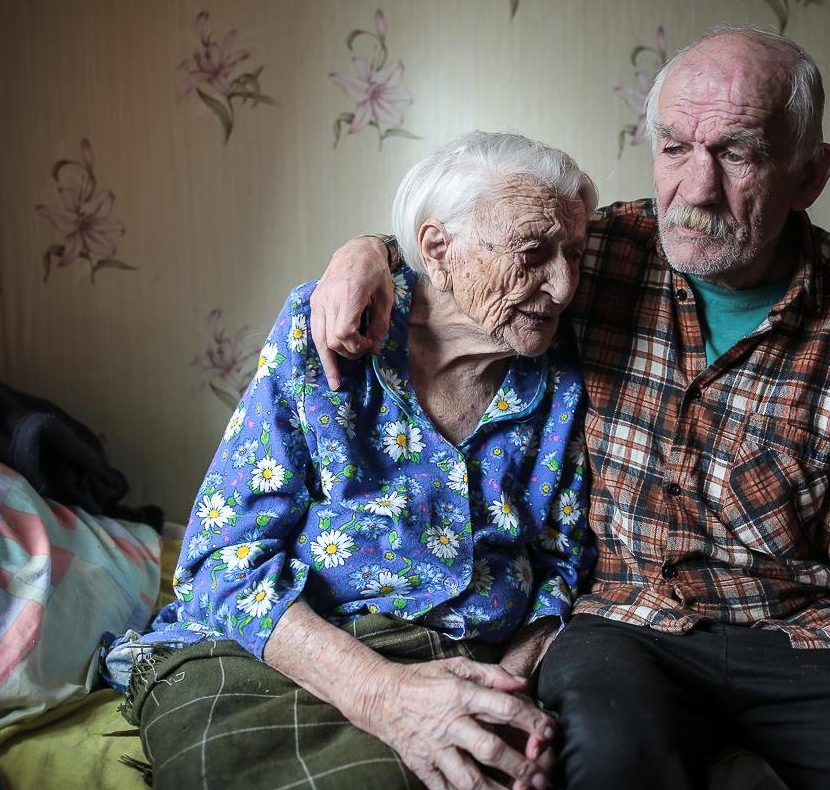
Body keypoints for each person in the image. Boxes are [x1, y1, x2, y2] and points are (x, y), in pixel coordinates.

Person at [310, 28, 830, 790]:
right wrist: (364, 252)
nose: (696, 189)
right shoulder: (598, 254)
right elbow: (469, 256)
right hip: (628, 625)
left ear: (808, 175)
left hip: (805, 634)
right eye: (675, 148)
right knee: (608, 760)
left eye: (737, 154)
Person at [103, 131, 598, 790]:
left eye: (575, 254)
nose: (563, 287)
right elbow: (221, 563)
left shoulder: (559, 375)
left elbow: (562, 562)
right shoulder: (329, 332)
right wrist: (380, 694)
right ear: (437, 250)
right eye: (533, 253)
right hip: (281, 650)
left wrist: (503, 692)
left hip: (465, 661)